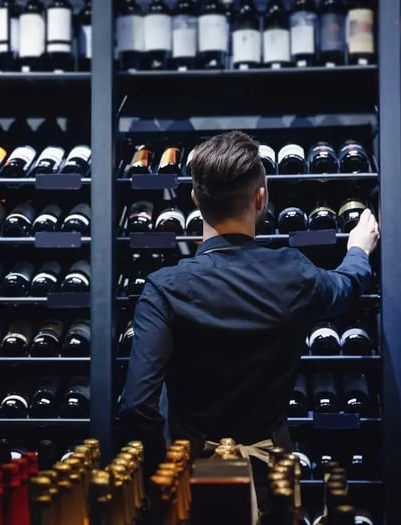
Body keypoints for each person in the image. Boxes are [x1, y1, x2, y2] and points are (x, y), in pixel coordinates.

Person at [118, 130, 379, 510]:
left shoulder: (164, 287)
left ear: (195, 200)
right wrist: (358, 250)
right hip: (271, 478)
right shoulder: (293, 273)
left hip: (190, 481)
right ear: (260, 198)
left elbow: (137, 405)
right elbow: (347, 286)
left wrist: (165, 474)